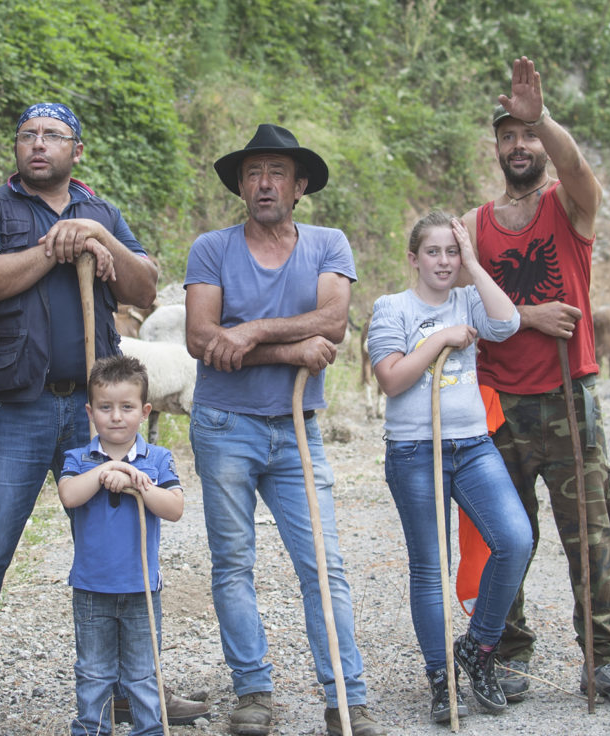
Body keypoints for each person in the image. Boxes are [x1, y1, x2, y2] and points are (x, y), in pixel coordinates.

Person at [0, 102, 212, 736]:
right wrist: (56, 248)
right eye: (27, 134)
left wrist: (98, 239)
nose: (37, 144)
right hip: (12, 408)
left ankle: (132, 693)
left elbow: (143, 287)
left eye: (52, 135)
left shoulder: (100, 211)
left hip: (98, 410)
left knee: (123, 545)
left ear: (76, 150)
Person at [184, 124, 385, 736]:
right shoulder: (211, 248)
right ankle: (253, 692)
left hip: (298, 428)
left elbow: (334, 322)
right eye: (253, 173)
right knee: (232, 563)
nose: (264, 183)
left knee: (323, 564)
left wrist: (249, 332)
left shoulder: (328, 243)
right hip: (224, 425)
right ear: (241, 186)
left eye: (277, 172)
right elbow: (201, 339)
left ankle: (346, 698)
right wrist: (290, 350)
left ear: (299, 187)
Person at [462, 55, 610, 706]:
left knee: (590, 534)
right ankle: (508, 654)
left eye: (528, 135)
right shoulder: (474, 227)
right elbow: (460, 310)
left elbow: (580, 169)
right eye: (508, 136)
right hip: (497, 403)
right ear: (496, 150)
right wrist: (529, 315)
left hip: (570, 399)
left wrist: (543, 119)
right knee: (504, 536)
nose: (519, 145)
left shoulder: (570, 208)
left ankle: (603, 660)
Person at [367, 212, 532, 722]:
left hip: (474, 446)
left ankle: (477, 649)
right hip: (415, 450)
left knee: (515, 540)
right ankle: (441, 677)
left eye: (452, 252)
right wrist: (439, 340)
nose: (443, 261)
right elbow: (391, 379)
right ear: (414, 259)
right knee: (429, 567)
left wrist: (475, 266)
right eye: (433, 252)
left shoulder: (468, 299)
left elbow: (508, 323)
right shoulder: (392, 307)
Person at [57, 355, 185, 736]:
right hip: (91, 589)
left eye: (127, 407)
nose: (116, 417)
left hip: (141, 588)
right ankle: (93, 729)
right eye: (105, 407)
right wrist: (105, 471)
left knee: (143, 672)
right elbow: (69, 496)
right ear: (89, 411)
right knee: (93, 672)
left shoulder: (156, 459)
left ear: (145, 412)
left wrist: (138, 484)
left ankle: (148, 730)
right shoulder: (79, 459)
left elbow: (175, 508)